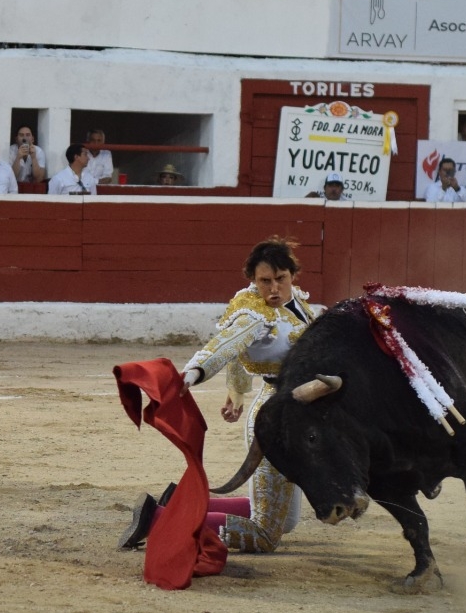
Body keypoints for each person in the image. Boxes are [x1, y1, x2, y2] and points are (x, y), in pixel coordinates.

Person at [119, 237, 318, 555]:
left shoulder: (298, 305)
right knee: (265, 535)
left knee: (287, 521)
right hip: (275, 419)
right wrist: (195, 372)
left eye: (281, 279)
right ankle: (156, 518)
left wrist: (237, 391)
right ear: (253, 281)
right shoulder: (252, 312)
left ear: (293, 275)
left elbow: (244, 353)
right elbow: (229, 343)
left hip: (296, 412)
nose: (274, 289)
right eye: (264, 281)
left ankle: (182, 502)